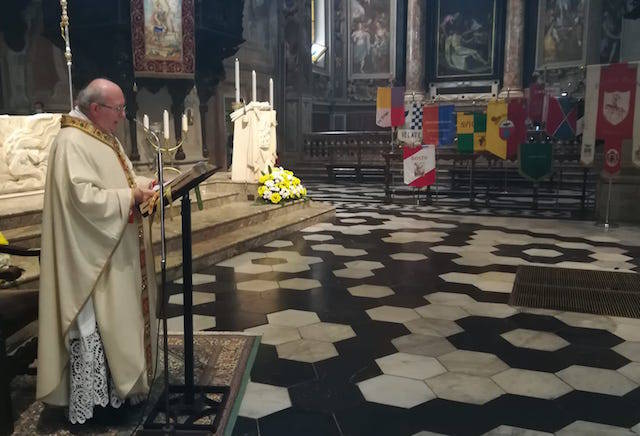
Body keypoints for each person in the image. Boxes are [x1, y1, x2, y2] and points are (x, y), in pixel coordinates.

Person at [36, 78, 158, 424]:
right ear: (95, 108)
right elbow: (83, 201)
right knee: (97, 326)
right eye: (118, 109)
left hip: (110, 252)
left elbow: (114, 183)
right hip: (89, 261)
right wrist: (129, 197)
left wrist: (139, 187)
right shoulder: (72, 141)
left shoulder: (100, 136)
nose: (122, 115)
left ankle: (122, 392)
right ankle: (98, 406)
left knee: (118, 321)